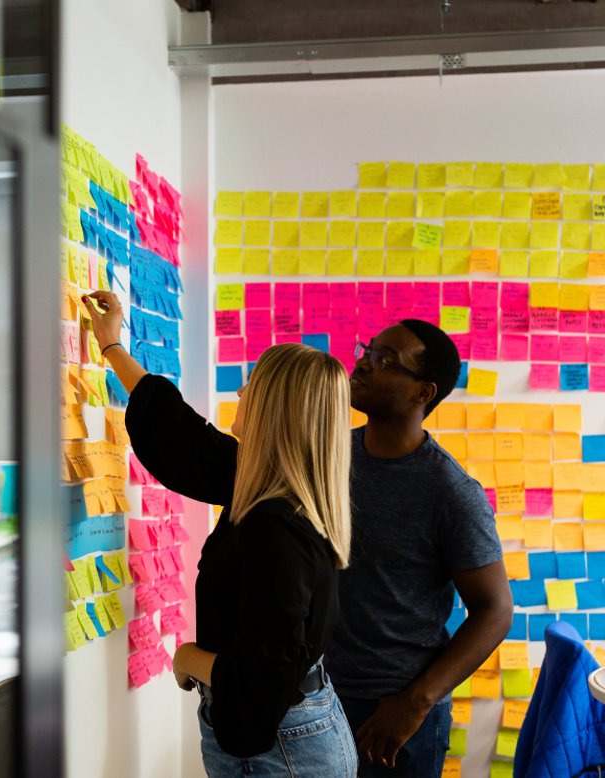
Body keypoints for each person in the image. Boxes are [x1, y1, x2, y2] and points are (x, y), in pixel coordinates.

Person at [82, 289, 357, 778]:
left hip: (283, 750)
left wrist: (190, 657)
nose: (241, 393)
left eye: (251, 385)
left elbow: (263, 679)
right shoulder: (273, 484)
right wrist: (112, 347)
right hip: (295, 734)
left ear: (276, 409)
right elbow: (182, 436)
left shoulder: (277, 528)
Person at [324, 319, 513, 775]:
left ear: (422, 393)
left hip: (393, 712)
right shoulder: (330, 454)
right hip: (318, 696)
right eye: (368, 351)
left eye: (386, 360)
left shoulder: (450, 492)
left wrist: (415, 703)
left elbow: (495, 611)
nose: (364, 365)